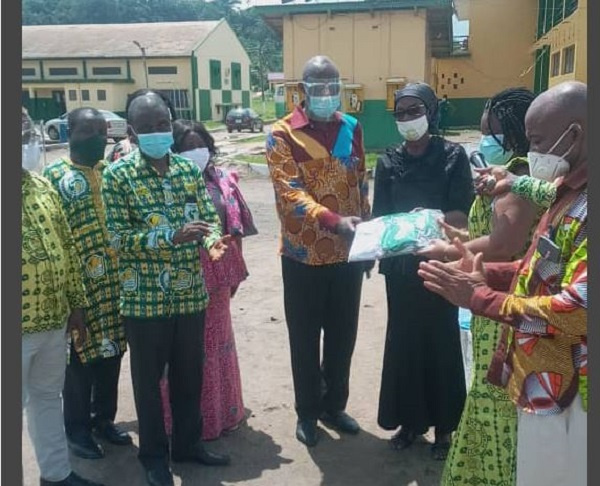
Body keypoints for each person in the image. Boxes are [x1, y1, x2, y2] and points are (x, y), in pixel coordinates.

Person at [418, 81, 587, 486]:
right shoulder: (567, 191)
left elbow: (577, 309)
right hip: (544, 382)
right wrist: (489, 274)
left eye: (539, 141)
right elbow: (541, 268)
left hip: (575, 393)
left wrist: (481, 298)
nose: (533, 155)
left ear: (575, 134)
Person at [102, 92, 231, 486]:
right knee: (147, 382)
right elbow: (118, 238)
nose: (158, 132)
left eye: (163, 124)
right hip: (144, 302)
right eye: (148, 127)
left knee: (189, 376)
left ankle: (188, 445)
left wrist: (212, 241)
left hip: (190, 294)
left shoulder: (186, 171)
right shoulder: (117, 176)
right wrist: (170, 237)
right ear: (134, 134)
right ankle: (154, 456)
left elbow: (207, 214)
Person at [418, 88, 539, 484]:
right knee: (481, 386)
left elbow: (503, 244)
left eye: (492, 132)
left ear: (518, 133)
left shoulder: (522, 177)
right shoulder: (507, 175)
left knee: (493, 395)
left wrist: (451, 249)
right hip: (486, 292)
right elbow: (491, 231)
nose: (485, 138)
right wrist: (458, 234)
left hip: (501, 302)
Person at [265, 55, 371, 447]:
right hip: (303, 256)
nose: (327, 94)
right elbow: (289, 192)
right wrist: (333, 221)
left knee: (344, 335)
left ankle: (333, 406)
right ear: (302, 91)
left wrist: (368, 238)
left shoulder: (352, 127)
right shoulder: (282, 134)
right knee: (305, 338)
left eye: (333, 86)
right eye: (318, 87)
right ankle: (307, 412)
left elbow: (360, 183)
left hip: (347, 253)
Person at [372, 82, 474, 460]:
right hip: (400, 270)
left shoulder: (453, 156)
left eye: (415, 111)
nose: (408, 118)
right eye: (401, 113)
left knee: (440, 341)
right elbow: (380, 216)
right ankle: (409, 422)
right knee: (404, 342)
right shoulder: (387, 162)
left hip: (440, 263)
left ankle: (445, 428)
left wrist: (428, 220)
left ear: (431, 112)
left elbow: (462, 213)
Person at [159, 120, 258, 440]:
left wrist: (235, 274)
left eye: (199, 145)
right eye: (185, 147)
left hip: (217, 275)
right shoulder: (164, 184)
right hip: (179, 275)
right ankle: (183, 423)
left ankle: (222, 414)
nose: (194, 152)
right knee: (184, 350)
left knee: (217, 345)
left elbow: (235, 230)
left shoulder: (223, 181)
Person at [42, 108, 132, 461]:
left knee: (112, 355)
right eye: (88, 131)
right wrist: (69, 297)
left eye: (102, 131)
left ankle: (103, 421)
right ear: (69, 133)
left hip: (116, 288)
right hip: (79, 291)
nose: (97, 138)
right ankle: (76, 431)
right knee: (79, 363)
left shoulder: (110, 173)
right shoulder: (53, 177)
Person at [22, 111, 104, 486]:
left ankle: (56, 475)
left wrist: (77, 303)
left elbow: (67, 247)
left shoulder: (40, 187)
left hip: (53, 320)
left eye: (27, 133)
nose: (27, 143)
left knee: (46, 399)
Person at [105, 89, 177, 163]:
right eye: (146, 127)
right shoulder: (125, 154)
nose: (155, 132)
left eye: (162, 124)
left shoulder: (181, 155)